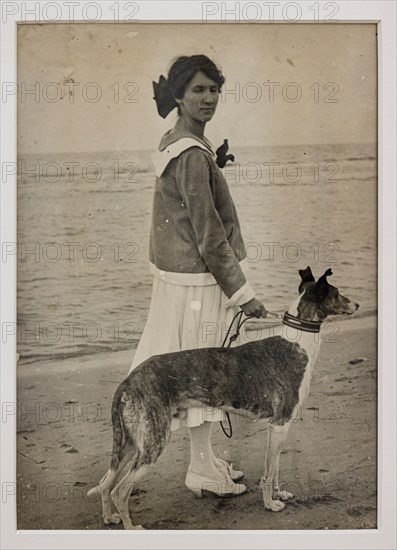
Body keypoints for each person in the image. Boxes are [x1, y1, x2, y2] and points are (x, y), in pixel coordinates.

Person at [128, 55, 267, 497]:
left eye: (214, 90)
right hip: (197, 280)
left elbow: (188, 205)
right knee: (203, 376)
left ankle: (205, 459)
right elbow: (209, 237)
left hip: (181, 278)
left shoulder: (181, 141)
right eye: (198, 91)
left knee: (199, 371)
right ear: (178, 96)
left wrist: (214, 165)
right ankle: (200, 470)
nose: (208, 99)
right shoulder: (190, 153)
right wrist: (244, 295)